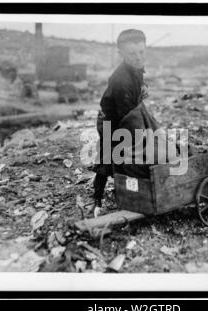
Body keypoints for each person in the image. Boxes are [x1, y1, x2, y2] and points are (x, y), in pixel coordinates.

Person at [89, 29, 149, 217]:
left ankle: (127, 189)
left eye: (142, 51)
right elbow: (128, 117)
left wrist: (144, 89)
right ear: (121, 54)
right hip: (110, 121)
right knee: (109, 156)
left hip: (126, 115)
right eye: (132, 54)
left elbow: (139, 85)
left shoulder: (136, 67)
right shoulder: (120, 80)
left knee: (129, 153)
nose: (138, 57)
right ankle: (97, 199)